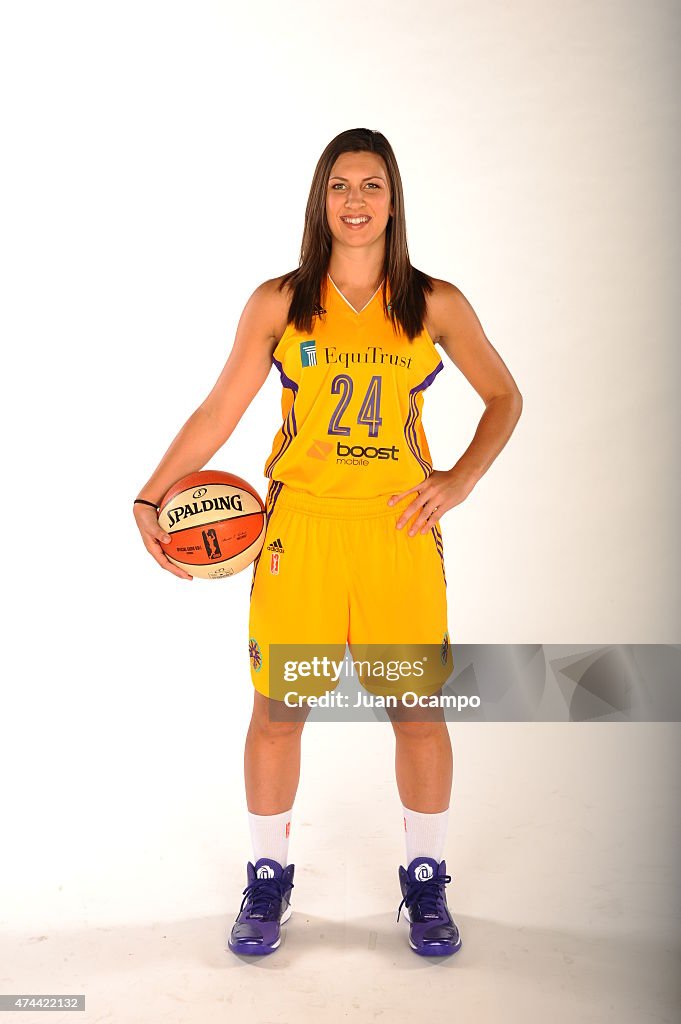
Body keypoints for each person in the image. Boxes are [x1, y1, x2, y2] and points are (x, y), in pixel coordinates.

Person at [133, 128, 523, 958]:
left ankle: (424, 881)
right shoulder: (279, 300)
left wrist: (460, 478)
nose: (354, 200)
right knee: (279, 712)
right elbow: (218, 410)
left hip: (397, 531)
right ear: (321, 199)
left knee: (415, 713)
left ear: (393, 199)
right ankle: (266, 879)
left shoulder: (434, 301)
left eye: (371, 185)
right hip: (300, 530)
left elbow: (503, 397)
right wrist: (153, 489)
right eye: (340, 185)